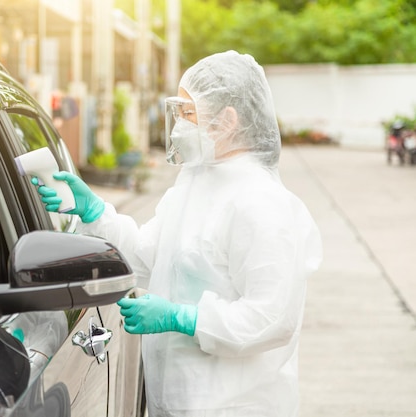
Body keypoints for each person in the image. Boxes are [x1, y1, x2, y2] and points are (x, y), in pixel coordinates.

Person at [33, 50, 323, 417]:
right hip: (175, 403)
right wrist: (96, 213)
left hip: (235, 407)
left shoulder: (263, 203)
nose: (178, 126)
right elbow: (148, 256)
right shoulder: (194, 182)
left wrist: (182, 318)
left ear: (227, 120)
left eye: (188, 114)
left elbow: (272, 319)